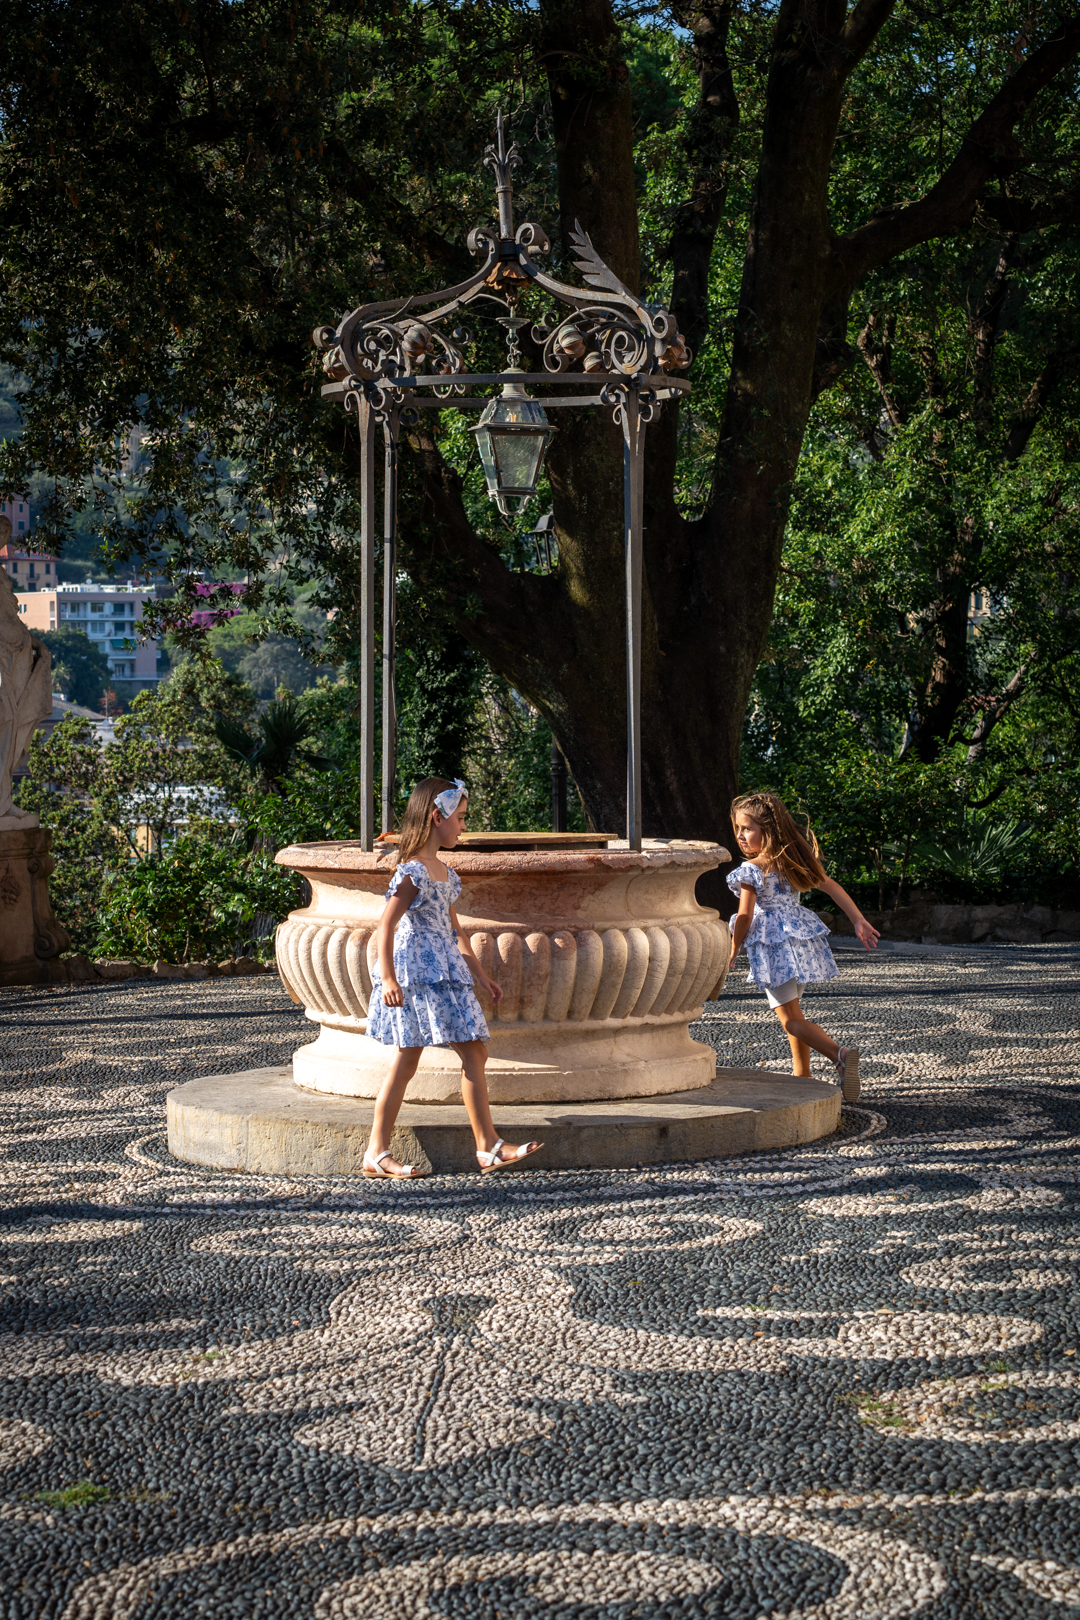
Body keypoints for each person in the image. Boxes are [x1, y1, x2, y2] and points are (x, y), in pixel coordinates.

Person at [363, 776, 544, 1179]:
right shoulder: (412, 872)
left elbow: (456, 930)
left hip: (446, 970)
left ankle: (487, 1146)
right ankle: (378, 1151)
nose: (464, 826)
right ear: (435, 816)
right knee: (408, 1059)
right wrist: (389, 979)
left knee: (474, 1050)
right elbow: (385, 926)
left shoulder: (445, 872)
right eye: (460, 818)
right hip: (416, 974)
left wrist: (480, 975)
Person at [726, 791, 880, 1102]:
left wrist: (733, 948)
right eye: (739, 828)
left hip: (773, 949)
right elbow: (831, 886)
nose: (741, 835)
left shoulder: (752, 869)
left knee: (792, 1020)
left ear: (768, 831)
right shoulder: (792, 860)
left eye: (748, 829)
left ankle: (840, 1056)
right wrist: (858, 920)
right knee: (794, 1013)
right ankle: (802, 1074)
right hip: (799, 944)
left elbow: (744, 915)